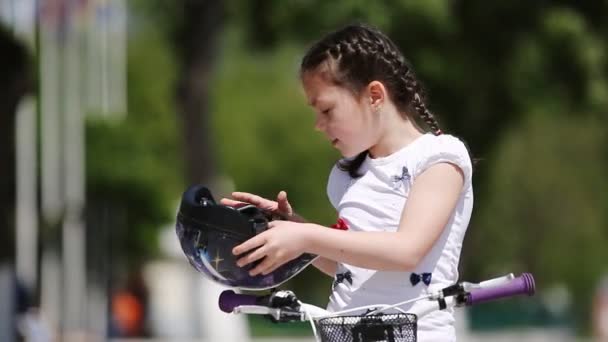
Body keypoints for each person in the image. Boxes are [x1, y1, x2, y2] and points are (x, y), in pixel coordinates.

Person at [221, 23, 473, 341]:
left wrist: (307, 236)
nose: (318, 125)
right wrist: (291, 227)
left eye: (326, 109)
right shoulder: (347, 175)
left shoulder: (440, 156)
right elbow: (350, 267)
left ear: (375, 96)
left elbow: (407, 251)